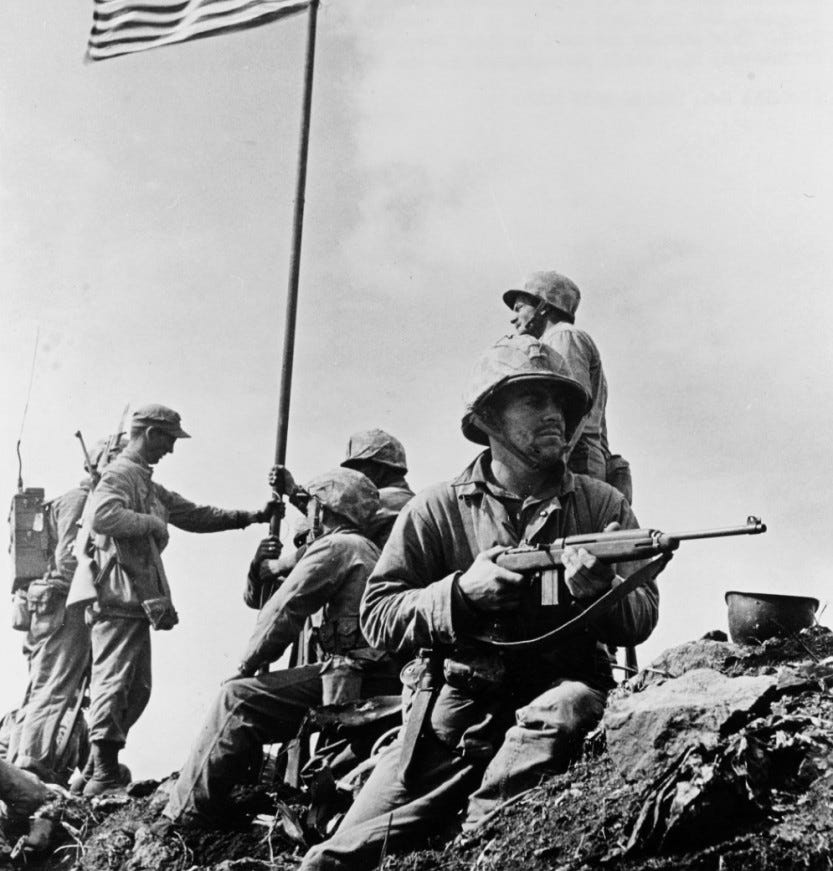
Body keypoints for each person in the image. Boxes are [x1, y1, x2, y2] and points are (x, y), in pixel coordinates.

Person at [300, 335, 659, 870]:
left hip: (554, 709)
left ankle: (475, 838)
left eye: (561, 403)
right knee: (328, 863)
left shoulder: (602, 504)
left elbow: (644, 618)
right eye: (534, 401)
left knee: (562, 713)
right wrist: (460, 596)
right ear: (490, 416)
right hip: (453, 721)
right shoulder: (436, 509)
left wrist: (602, 594)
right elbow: (378, 614)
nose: (555, 415)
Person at [162, 467, 401, 827]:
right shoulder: (366, 548)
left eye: (313, 510)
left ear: (322, 511)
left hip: (357, 679)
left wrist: (244, 667)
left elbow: (284, 611)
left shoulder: (337, 546)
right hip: (376, 679)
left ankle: (182, 817)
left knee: (237, 700)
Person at [76, 404, 276, 797]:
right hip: (117, 597)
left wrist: (250, 516)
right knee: (116, 684)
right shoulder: (120, 474)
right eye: (168, 438)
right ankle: (102, 773)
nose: (171, 448)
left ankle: (93, 768)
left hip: (133, 600)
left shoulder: (144, 481)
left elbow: (193, 514)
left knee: (137, 689)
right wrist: (151, 523)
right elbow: (102, 516)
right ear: (150, 434)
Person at [9, 435, 125, 785]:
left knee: (57, 688)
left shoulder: (85, 501)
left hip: (60, 608)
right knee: (54, 688)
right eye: (116, 460)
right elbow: (69, 562)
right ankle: (30, 767)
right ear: (99, 464)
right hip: (63, 606)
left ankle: (31, 764)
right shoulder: (80, 501)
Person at [245, 429, 414, 609]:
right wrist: (258, 568)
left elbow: (338, 527)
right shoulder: (383, 507)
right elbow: (256, 600)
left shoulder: (397, 503)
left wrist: (277, 565)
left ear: (379, 468)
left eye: (356, 469)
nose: (350, 477)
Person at [504, 270, 632, 501]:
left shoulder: (562, 336)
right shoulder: (556, 340)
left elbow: (572, 406)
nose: (513, 318)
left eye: (519, 308)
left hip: (575, 458)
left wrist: (553, 469)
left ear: (543, 306)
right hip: (576, 456)